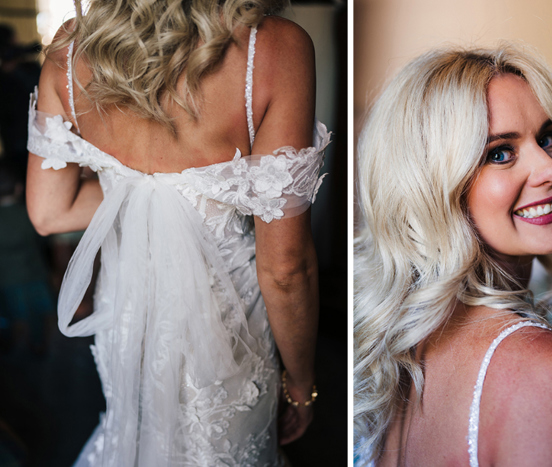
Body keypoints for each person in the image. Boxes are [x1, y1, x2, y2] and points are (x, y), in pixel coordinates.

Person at [25, 0, 329, 465]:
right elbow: (285, 267)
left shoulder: (68, 52)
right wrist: (302, 384)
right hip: (232, 328)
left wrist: (146, 191)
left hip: (129, 316)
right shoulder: (273, 47)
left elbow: (50, 211)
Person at [354, 46, 552, 466]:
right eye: (500, 153)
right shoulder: (545, 374)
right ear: (434, 189)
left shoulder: (406, 356)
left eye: (548, 137)